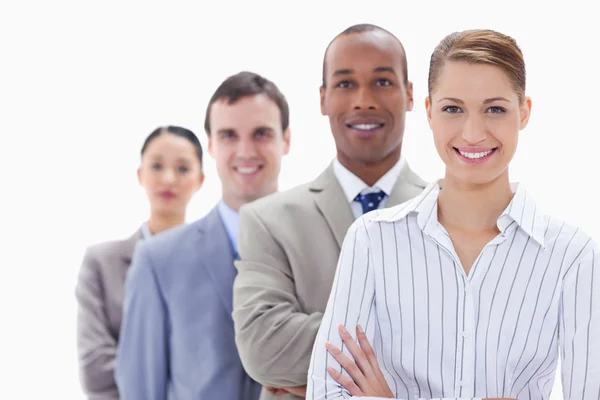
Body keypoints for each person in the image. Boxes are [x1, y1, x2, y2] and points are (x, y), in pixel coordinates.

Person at [307, 29, 599, 400]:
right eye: (453, 109)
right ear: (428, 112)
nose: (473, 133)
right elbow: (325, 392)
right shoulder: (373, 239)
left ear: (524, 112)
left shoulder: (572, 256)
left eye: (495, 109)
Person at [232, 24, 427, 400]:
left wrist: (315, 381)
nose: (363, 100)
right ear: (323, 99)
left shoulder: (451, 211)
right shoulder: (268, 220)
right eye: (345, 84)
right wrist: (413, 351)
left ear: (410, 95)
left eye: (383, 82)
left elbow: (474, 349)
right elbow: (263, 346)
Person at [115, 71, 291, 400]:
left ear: (287, 140)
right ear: (210, 145)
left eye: (261, 133)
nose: (245, 150)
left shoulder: (327, 243)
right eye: (228, 135)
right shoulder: (158, 259)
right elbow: (140, 390)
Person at [75, 125, 204, 399]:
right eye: (157, 166)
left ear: (200, 180)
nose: (168, 178)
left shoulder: (216, 264)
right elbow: (95, 371)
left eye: (183, 169)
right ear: (140, 174)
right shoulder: (101, 263)